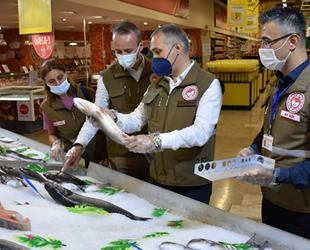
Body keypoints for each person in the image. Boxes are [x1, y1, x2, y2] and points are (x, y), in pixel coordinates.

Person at [85, 24, 224, 204]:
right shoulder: (157, 85)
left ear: (177, 48)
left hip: (191, 183)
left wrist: (155, 141)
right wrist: (113, 117)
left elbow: (201, 132)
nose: (154, 58)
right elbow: (137, 119)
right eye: (153, 52)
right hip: (158, 178)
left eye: (158, 51)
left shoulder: (208, 84)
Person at [237, 7, 310, 239]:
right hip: (271, 199)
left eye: (267, 42)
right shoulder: (279, 81)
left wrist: (276, 175)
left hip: (302, 210)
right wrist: (254, 148)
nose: (262, 49)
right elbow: (270, 128)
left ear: (292, 41)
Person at [63, 21, 154, 182]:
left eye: (128, 50)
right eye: (118, 51)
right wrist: (79, 145)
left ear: (140, 46)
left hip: (154, 151)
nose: (123, 56)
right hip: (121, 154)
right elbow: (96, 115)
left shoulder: (157, 72)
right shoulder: (107, 77)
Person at [40, 59, 107, 168]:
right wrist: (56, 144)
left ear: (66, 73)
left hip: (98, 152)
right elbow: (52, 134)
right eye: (52, 81)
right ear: (46, 83)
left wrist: (109, 155)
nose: (58, 83)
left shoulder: (87, 93)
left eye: (60, 77)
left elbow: (104, 124)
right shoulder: (47, 107)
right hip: (72, 158)